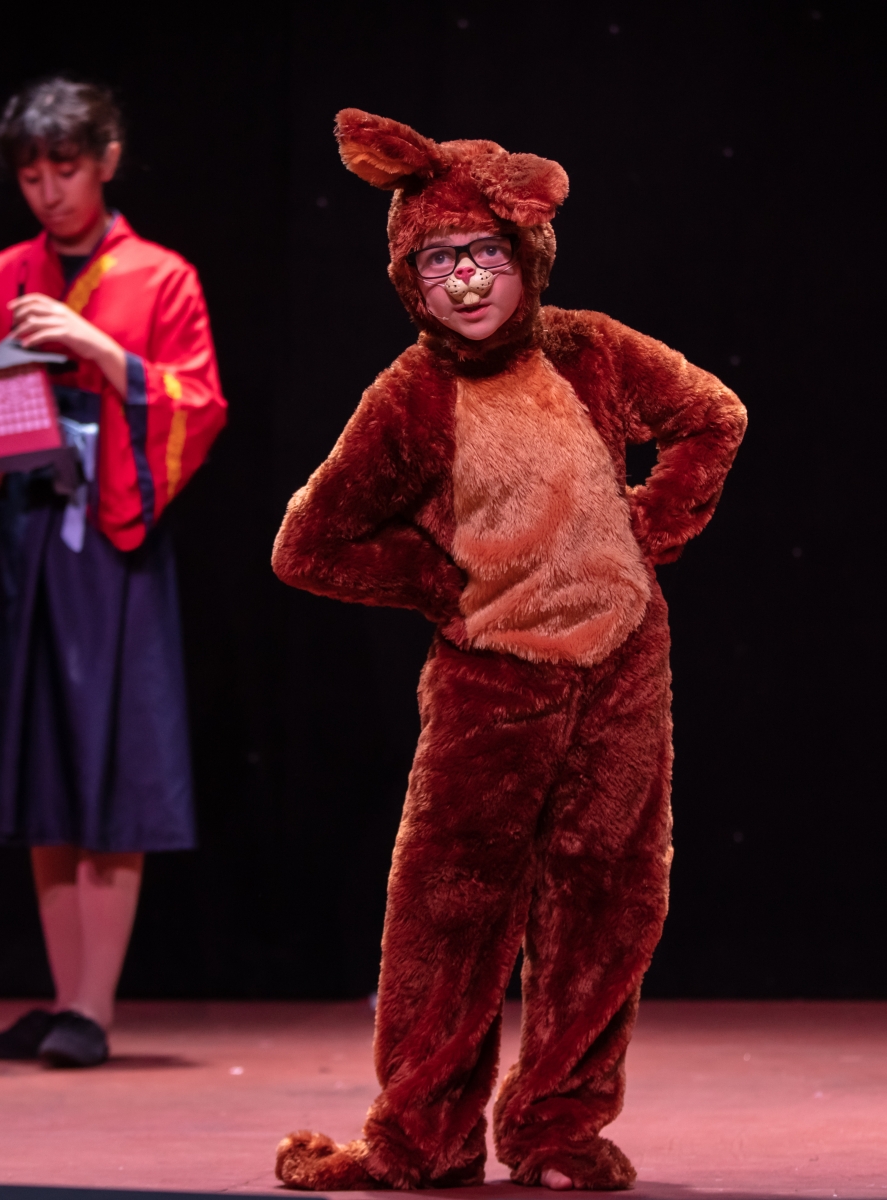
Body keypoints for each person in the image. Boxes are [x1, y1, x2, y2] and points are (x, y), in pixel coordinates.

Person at [269, 110, 746, 1191]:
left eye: (483, 252)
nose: (468, 280)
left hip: (622, 671)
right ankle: (424, 1137)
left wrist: (650, 526)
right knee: (450, 911)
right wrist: (440, 581)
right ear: (409, 279)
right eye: (439, 260)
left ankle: (557, 1129)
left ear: (526, 255)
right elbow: (307, 543)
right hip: (492, 683)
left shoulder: (590, 349)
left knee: (609, 908)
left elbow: (713, 416)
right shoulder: (411, 396)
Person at [0, 78, 227, 1068]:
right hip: (20, 538)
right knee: (41, 761)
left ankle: (93, 1008)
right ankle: (64, 1000)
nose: (49, 192)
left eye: (65, 169)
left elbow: (200, 403)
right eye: (31, 175)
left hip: (107, 540)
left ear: (106, 161)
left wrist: (101, 349)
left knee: (108, 759)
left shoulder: (162, 277)